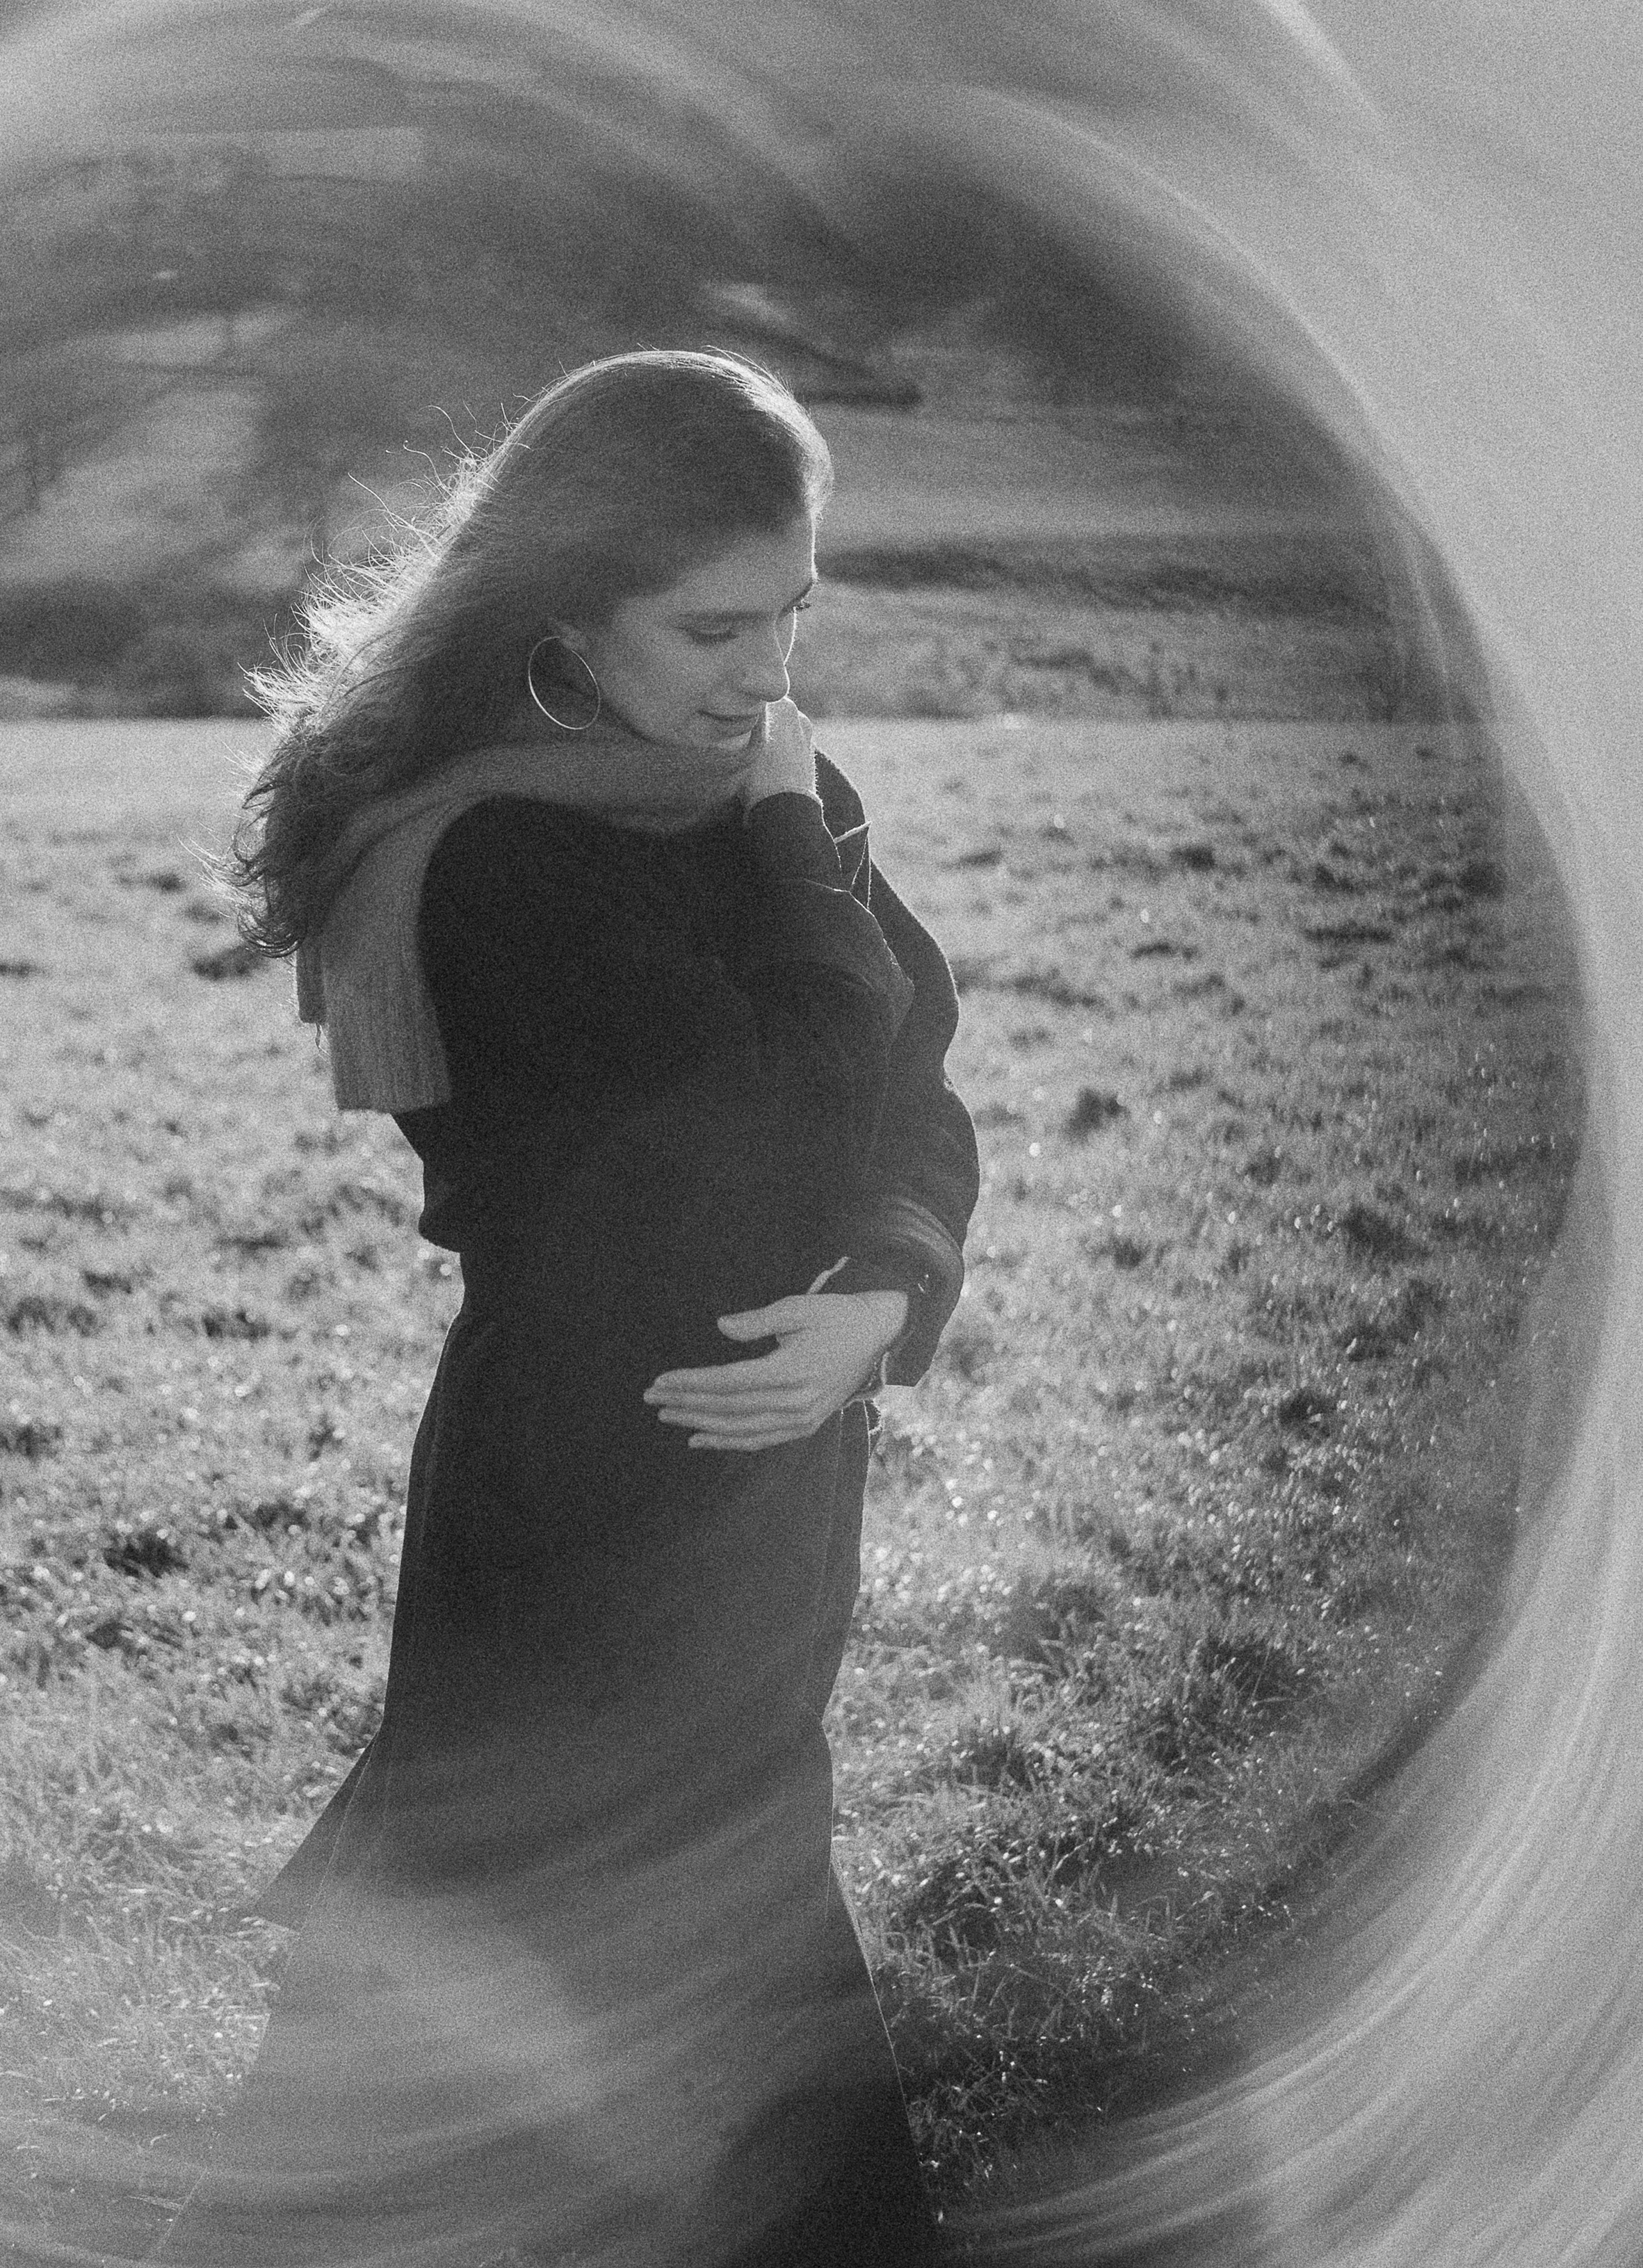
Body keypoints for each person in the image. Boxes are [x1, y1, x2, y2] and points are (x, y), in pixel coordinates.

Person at [161, 349, 980, 2268]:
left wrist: (885, 1289)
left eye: (794, 609)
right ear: (569, 603)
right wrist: (795, 853)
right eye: (713, 623)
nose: (766, 669)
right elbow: (773, 1128)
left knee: (584, 1980)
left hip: (771, 1503)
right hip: (586, 1495)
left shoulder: (752, 779)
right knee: (524, 1968)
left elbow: (917, 1086)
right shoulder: (499, 853)